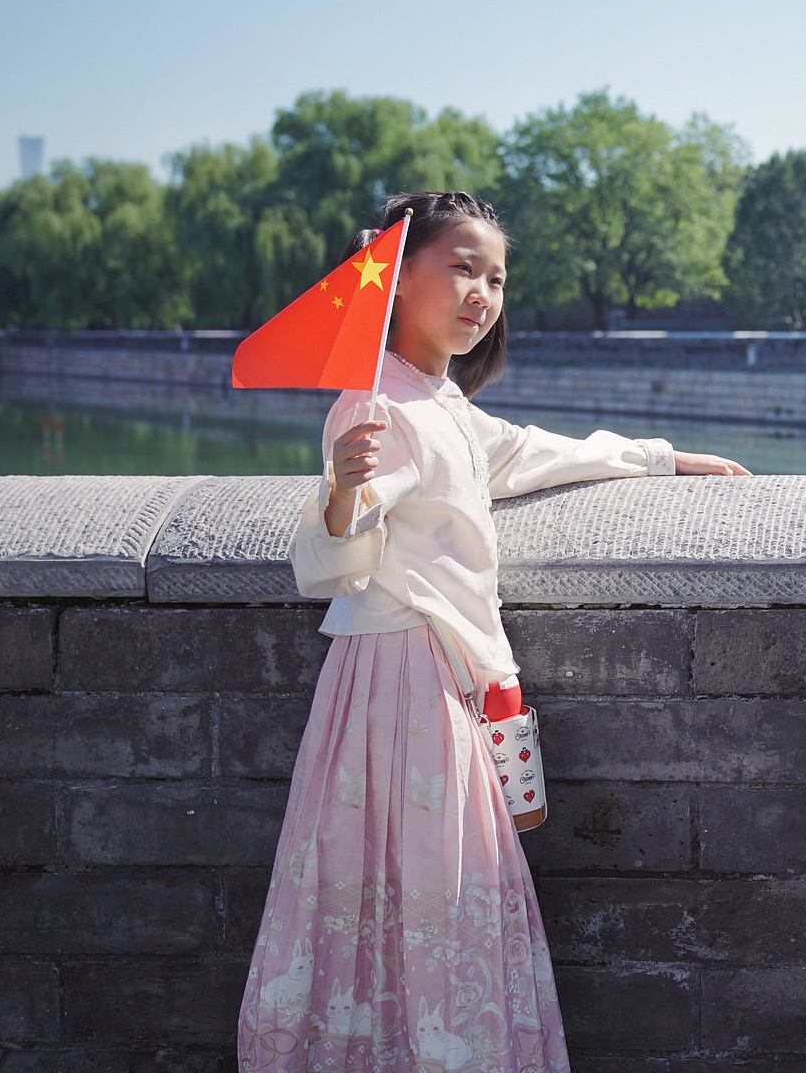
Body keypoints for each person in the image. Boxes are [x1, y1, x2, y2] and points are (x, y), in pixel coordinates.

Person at [238, 191, 747, 1071]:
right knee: (441, 879)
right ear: (397, 277)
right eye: (462, 269)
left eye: (497, 278)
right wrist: (343, 493)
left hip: (438, 676)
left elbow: (532, 453)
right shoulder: (377, 405)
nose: (483, 294)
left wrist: (662, 459)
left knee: (413, 882)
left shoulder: (440, 402)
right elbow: (334, 563)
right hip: (406, 680)